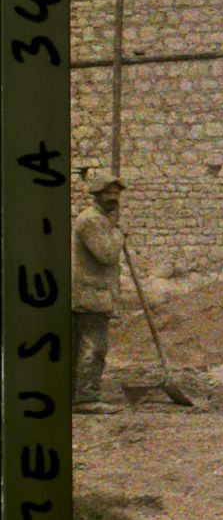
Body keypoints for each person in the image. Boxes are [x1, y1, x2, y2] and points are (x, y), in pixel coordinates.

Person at [74, 173, 126, 414]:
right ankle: (85, 399)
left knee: (83, 347)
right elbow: (106, 254)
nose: (113, 198)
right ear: (97, 195)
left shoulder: (102, 221)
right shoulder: (91, 221)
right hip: (89, 295)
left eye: (116, 194)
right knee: (93, 348)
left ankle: (77, 396)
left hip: (93, 294)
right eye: (108, 193)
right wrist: (119, 234)